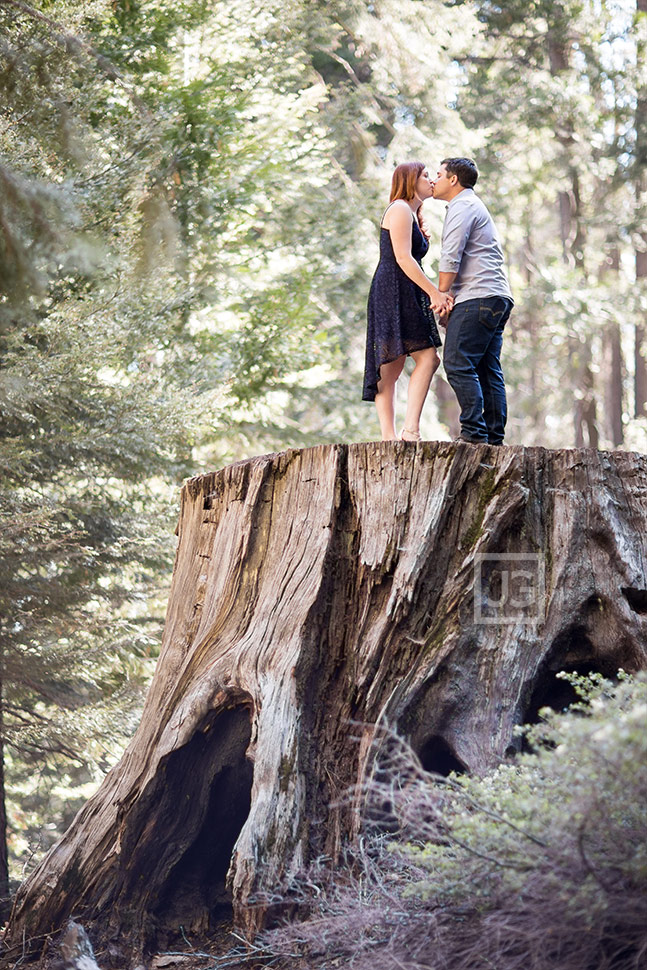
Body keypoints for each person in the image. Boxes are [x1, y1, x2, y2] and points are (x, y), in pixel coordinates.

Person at [363, 161, 453, 441]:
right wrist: (434, 293)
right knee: (418, 359)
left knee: (397, 364)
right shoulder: (400, 208)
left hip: (405, 289)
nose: (430, 180)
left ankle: (396, 435)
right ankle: (404, 432)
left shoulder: (412, 213)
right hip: (393, 290)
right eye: (425, 176)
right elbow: (403, 257)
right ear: (410, 180)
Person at [432, 157, 513, 445]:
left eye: (439, 175)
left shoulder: (462, 206)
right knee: (487, 369)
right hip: (496, 296)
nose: (434, 180)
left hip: (479, 296)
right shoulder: (471, 205)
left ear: (453, 180)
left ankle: (474, 434)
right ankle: (492, 439)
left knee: (456, 361)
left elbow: (450, 255)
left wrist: (441, 295)